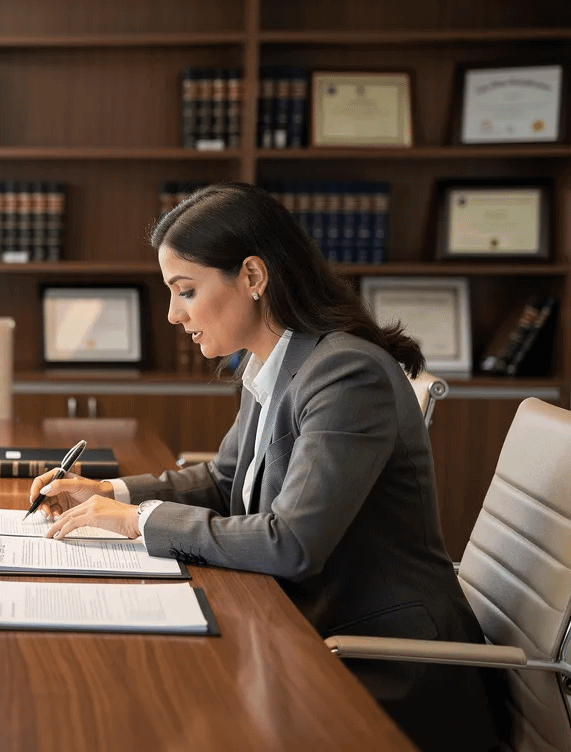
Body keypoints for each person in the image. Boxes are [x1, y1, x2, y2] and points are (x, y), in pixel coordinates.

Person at [30, 183, 503, 751]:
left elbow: (293, 543)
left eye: (185, 291)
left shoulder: (345, 374)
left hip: (384, 665)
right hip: (308, 630)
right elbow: (227, 480)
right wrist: (108, 491)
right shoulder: (275, 362)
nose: (174, 315)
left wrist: (138, 524)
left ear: (253, 277)